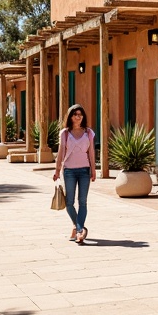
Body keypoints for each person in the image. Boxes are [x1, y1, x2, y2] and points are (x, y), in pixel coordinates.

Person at [52, 104, 96, 245]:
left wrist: (94, 170)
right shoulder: (65, 133)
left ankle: (78, 231)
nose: (78, 116)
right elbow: (60, 153)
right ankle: (79, 227)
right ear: (70, 116)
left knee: (82, 202)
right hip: (69, 171)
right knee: (69, 203)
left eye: (80, 114)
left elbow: (91, 153)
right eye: (75, 114)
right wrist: (57, 170)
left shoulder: (88, 132)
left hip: (84, 170)